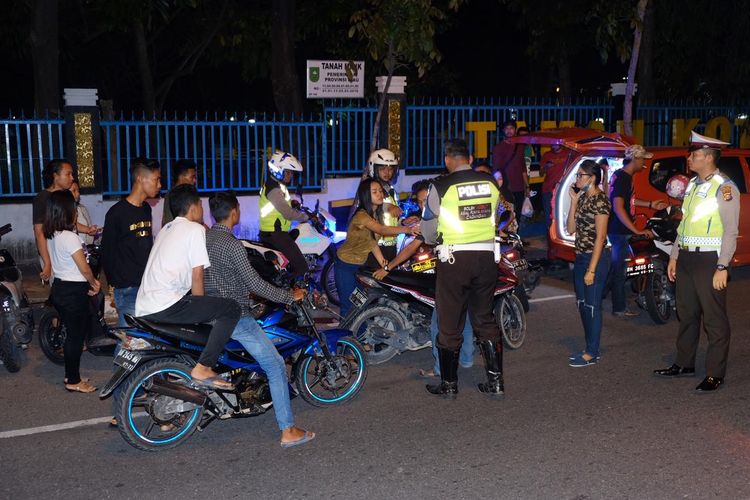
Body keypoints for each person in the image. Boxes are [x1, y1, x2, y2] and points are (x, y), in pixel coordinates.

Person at [204, 191, 315, 448]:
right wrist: (289, 295)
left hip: (210, 311)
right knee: (276, 366)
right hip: (235, 317)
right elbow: (254, 282)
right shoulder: (232, 244)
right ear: (234, 212)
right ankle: (288, 430)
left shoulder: (206, 238)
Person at [654, 132, 740, 392]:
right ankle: (684, 363)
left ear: (709, 157)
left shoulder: (725, 188)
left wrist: (723, 266)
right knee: (687, 313)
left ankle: (715, 373)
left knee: (714, 319)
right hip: (688, 257)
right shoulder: (692, 185)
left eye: (695, 154)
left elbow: (730, 230)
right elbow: (685, 224)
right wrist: (674, 255)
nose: (689, 158)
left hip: (709, 259)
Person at [136, 184, 241, 389]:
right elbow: (197, 275)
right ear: (192, 207)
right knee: (231, 308)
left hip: (144, 304)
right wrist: (203, 311)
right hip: (166, 304)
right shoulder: (194, 229)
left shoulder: (166, 229)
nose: (203, 210)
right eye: (201, 204)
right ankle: (204, 366)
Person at [421, 138, 504, 398]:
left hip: (455, 260)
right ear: (468, 157)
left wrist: (433, 239)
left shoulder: (441, 185)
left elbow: (428, 231)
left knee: (449, 322)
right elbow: (497, 215)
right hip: (487, 259)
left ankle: (449, 384)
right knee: (484, 318)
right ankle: (496, 383)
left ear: (448, 159)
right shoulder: (490, 182)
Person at [43, 190, 101, 393]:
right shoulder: (70, 237)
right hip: (72, 291)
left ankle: (72, 374)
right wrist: (94, 283)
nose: (76, 211)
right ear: (67, 212)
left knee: (73, 335)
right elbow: (83, 268)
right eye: (73, 208)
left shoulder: (54, 234)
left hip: (62, 287)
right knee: (76, 337)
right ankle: (73, 380)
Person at [335, 178, 419, 317]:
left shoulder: (375, 214)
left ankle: (359, 336)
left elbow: (372, 241)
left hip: (360, 266)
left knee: (361, 306)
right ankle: (344, 337)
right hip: (345, 265)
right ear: (366, 196)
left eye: (380, 191)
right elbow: (382, 230)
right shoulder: (361, 215)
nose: (380, 194)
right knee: (349, 307)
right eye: (374, 192)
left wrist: (383, 263)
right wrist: (407, 230)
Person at [608, 145, 668, 318]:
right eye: (642, 159)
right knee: (620, 271)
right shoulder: (623, 178)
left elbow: (628, 202)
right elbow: (618, 207)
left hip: (620, 230)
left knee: (620, 269)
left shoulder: (622, 176)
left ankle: (602, 297)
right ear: (634, 159)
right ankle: (618, 308)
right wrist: (636, 230)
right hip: (619, 231)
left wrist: (650, 204)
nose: (644, 163)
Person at [101, 159, 162, 327]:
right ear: (141, 178)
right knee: (128, 340)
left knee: (142, 339)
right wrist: (114, 285)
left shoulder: (146, 209)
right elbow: (107, 252)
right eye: (156, 179)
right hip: (127, 288)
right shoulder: (116, 213)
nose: (159, 184)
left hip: (146, 286)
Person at [566, 160, 611, 367]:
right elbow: (571, 229)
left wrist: (592, 270)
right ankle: (589, 347)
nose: (577, 179)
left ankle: (592, 352)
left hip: (597, 257)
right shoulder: (583, 197)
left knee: (592, 306)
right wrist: (574, 201)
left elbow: (601, 238)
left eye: (580, 175)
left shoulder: (601, 200)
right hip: (581, 255)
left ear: (592, 178)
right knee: (582, 304)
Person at [258, 151, 310, 278]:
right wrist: (306, 217)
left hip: (276, 232)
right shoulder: (274, 188)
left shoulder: (276, 185)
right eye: (288, 172)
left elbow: (280, 204)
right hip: (275, 234)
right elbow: (287, 213)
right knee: (302, 267)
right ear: (279, 170)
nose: (291, 175)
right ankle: (294, 292)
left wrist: (293, 203)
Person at [33, 159, 74, 282]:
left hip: (70, 250)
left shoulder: (67, 195)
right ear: (55, 176)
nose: (72, 178)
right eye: (68, 174)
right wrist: (47, 262)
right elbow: (39, 232)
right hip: (53, 253)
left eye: (72, 174)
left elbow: (71, 223)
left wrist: (88, 229)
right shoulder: (42, 198)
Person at [364, 149, 405, 267]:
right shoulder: (369, 188)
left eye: (391, 168)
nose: (388, 172)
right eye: (383, 169)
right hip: (374, 249)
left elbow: (391, 219)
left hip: (391, 246)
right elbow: (369, 207)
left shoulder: (391, 191)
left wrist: (403, 222)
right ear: (374, 169)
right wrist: (388, 206)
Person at [492, 120, 528, 221]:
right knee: (506, 214)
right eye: (507, 128)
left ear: (515, 130)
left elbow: (523, 167)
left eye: (511, 128)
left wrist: (527, 186)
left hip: (519, 187)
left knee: (518, 214)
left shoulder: (520, 146)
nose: (509, 131)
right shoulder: (498, 148)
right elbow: (496, 169)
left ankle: (516, 235)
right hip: (505, 187)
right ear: (503, 131)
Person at [539, 144, 569, 235]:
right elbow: (541, 173)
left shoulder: (568, 153)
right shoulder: (547, 155)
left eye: (556, 143)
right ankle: (550, 235)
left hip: (562, 189)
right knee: (548, 214)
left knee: (563, 212)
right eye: (552, 143)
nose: (554, 145)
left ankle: (562, 234)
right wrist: (546, 167)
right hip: (548, 188)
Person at [162, 159, 197, 227]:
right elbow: (168, 222)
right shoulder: (171, 195)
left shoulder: (190, 194)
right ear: (181, 177)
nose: (194, 180)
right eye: (192, 177)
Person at [69, 180, 98, 245]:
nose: (78, 194)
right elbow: (71, 223)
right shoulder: (63, 210)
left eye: (78, 191)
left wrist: (92, 230)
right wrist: (88, 229)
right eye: (74, 191)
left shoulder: (82, 208)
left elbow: (88, 226)